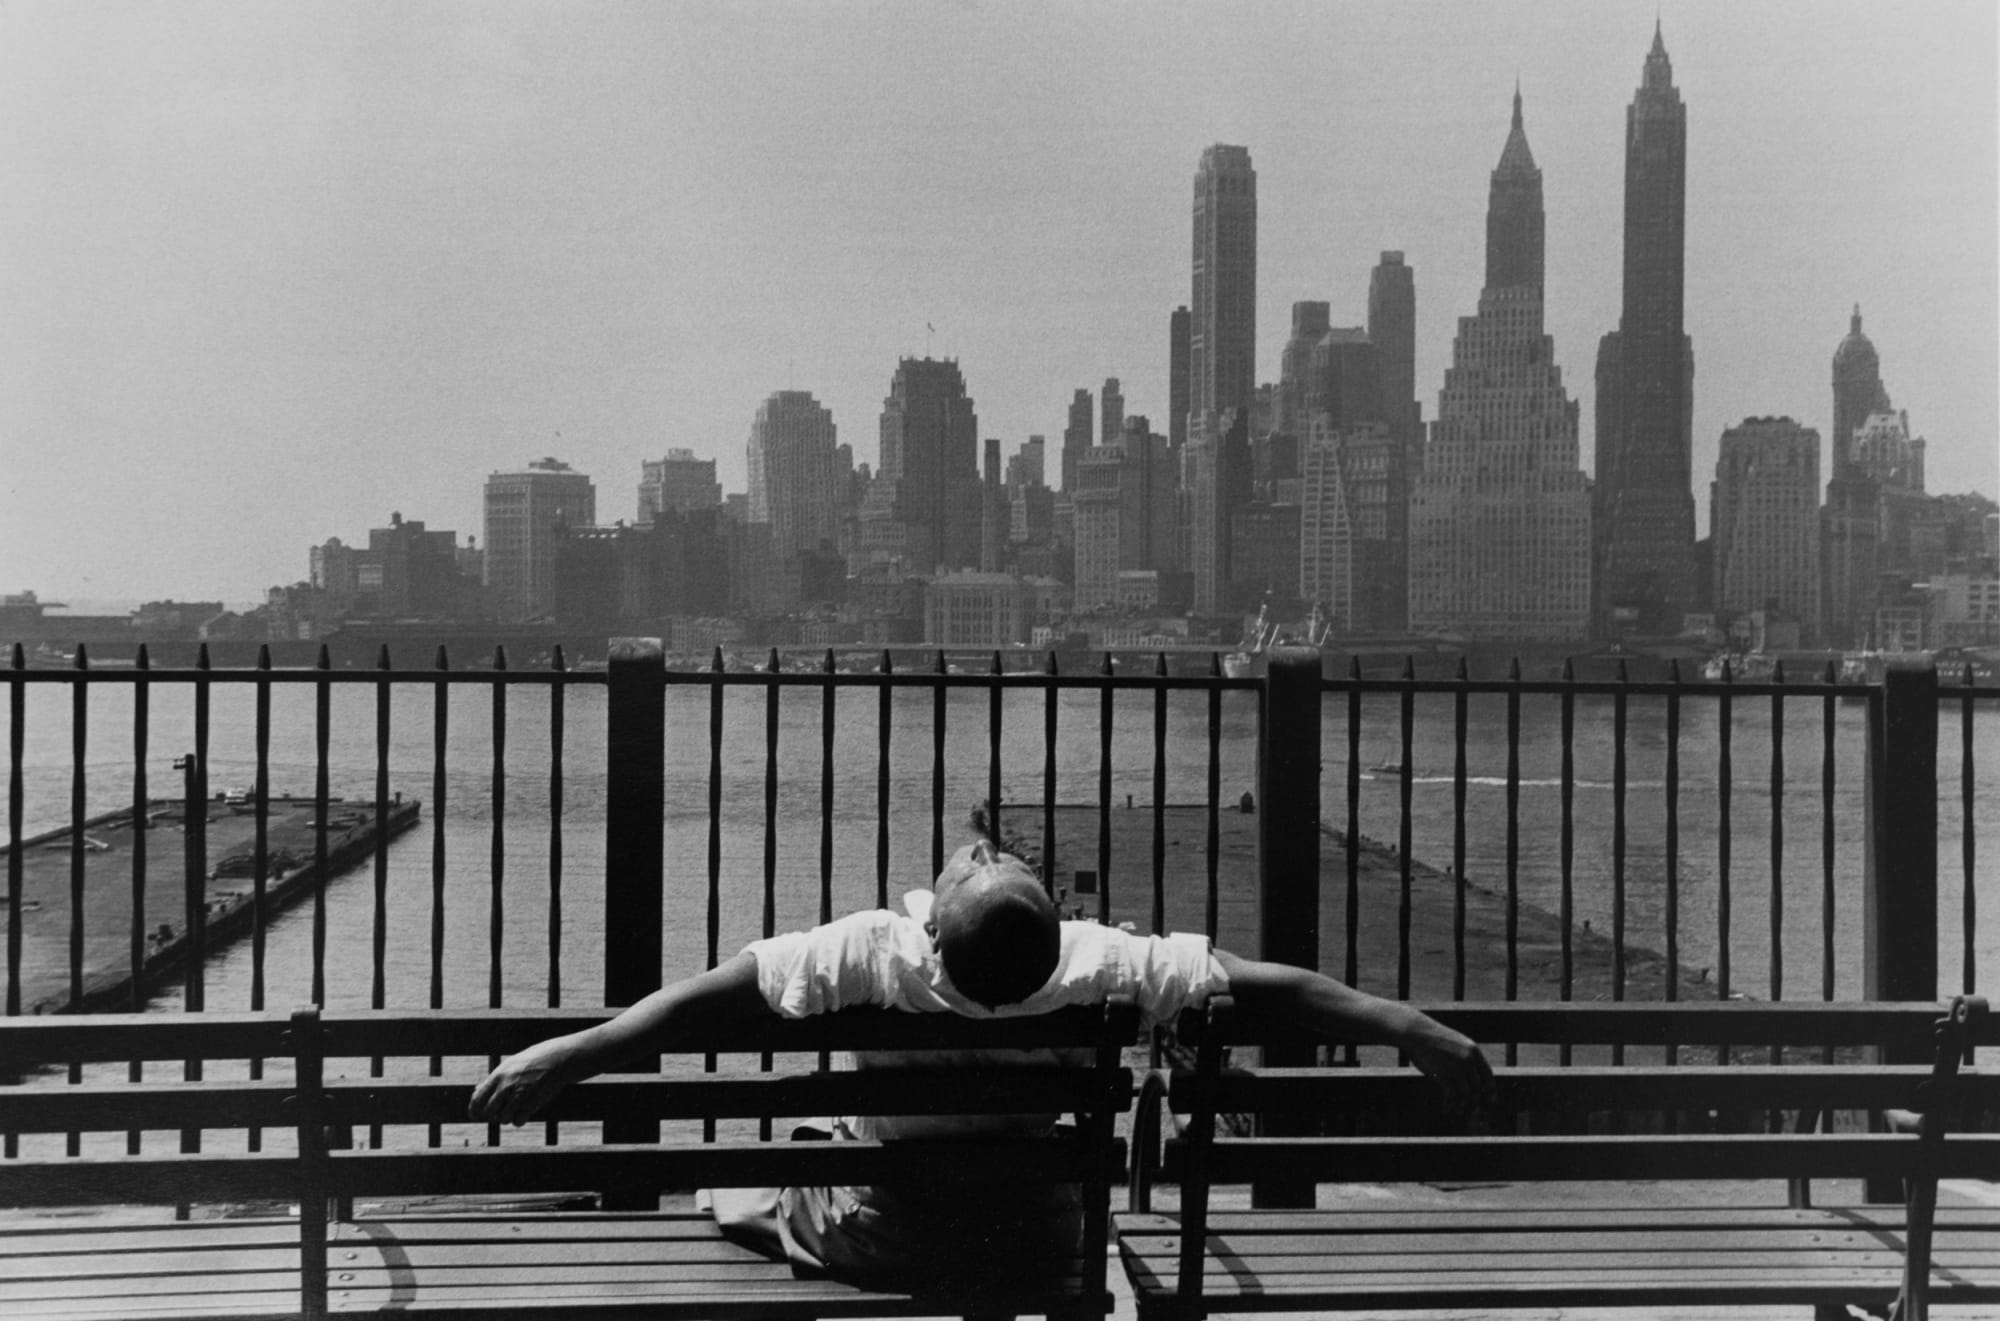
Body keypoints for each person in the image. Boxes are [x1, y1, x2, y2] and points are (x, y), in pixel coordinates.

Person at [469, 836, 1493, 1289]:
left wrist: (574, 1049)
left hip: (894, 1235)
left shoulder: (873, 949)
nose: (975, 851)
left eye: (976, 862)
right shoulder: (1092, 964)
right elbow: (1271, 986)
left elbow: (697, 1001)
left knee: (753, 1173)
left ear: (936, 935)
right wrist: (1410, 1025)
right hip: (1039, 1235)